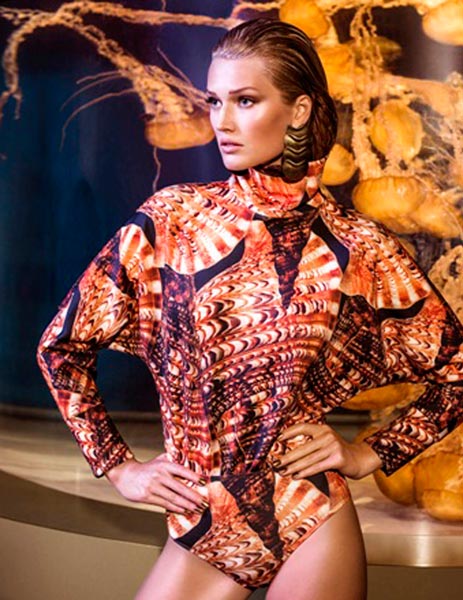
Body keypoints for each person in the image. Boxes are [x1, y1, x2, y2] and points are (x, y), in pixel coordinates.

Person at [37, 18, 463, 600]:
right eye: (215, 100)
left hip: (312, 511)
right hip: (204, 516)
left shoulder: (357, 244)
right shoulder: (172, 219)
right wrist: (119, 467)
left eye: (245, 100)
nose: (222, 121)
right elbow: (61, 347)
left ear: (299, 110)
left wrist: (367, 454)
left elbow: (456, 369)